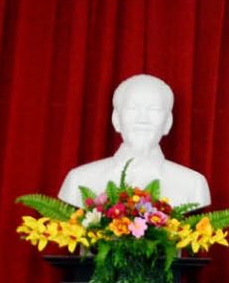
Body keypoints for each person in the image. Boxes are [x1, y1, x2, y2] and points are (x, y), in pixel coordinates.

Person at [58, 74, 211, 207]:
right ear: (116, 119)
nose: (142, 119)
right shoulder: (79, 180)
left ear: (168, 122)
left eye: (154, 109)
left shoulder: (193, 185)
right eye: (132, 108)